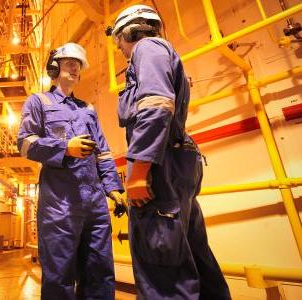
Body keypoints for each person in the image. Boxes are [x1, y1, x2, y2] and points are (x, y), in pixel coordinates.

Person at [107, 5, 231, 299]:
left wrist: (138, 173)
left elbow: (156, 106)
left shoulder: (146, 49)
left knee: (162, 268)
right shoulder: (162, 51)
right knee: (195, 255)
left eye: (119, 43)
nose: (121, 51)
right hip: (177, 163)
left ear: (129, 32)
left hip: (159, 168)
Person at [17, 42, 126, 299]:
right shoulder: (39, 102)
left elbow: (103, 151)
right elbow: (25, 144)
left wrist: (112, 187)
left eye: (78, 65)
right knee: (60, 274)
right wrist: (65, 147)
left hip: (95, 203)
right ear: (54, 68)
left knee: (99, 270)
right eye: (69, 63)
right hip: (60, 204)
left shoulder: (87, 109)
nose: (75, 68)